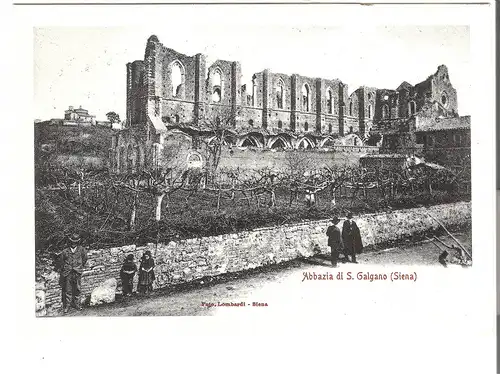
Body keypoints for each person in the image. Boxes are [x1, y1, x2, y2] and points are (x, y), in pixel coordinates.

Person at [58, 232, 88, 313]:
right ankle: (67, 306)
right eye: (72, 242)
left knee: (78, 289)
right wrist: (66, 268)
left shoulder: (82, 250)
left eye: (75, 242)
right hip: (68, 273)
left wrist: (79, 267)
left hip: (77, 272)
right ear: (70, 242)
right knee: (68, 290)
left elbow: (84, 259)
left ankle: (77, 305)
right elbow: (61, 262)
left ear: (78, 242)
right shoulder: (65, 251)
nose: (73, 244)